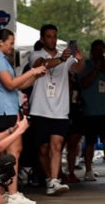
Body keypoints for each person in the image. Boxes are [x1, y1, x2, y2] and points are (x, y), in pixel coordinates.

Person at [0, 28, 47, 204]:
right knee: (13, 151)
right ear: (1, 42)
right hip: (3, 110)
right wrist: (32, 71)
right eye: (11, 43)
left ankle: (5, 192)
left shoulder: (1, 59)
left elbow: (19, 85)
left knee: (6, 153)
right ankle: (13, 194)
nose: (12, 47)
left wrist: (35, 76)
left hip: (5, 109)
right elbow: (11, 84)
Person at [28, 24, 85, 195]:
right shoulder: (35, 54)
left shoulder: (65, 56)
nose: (52, 39)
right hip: (39, 109)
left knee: (57, 145)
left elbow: (77, 70)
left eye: (54, 36)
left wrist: (80, 59)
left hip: (60, 110)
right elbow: (41, 65)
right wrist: (61, 59)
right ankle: (48, 178)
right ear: (42, 39)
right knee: (43, 149)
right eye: (49, 36)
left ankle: (54, 181)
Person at [78, 39, 105, 182]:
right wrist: (95, 70)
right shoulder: (85, 66)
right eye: (97, 50)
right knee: (90, 142)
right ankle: (88, 171)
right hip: (90, 111)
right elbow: (82, 84)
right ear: (92, 51)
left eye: (102, 50)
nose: (100, 53)